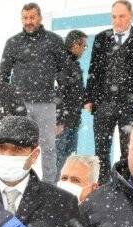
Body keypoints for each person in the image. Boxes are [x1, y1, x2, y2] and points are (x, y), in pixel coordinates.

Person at [84, 0, 133, 184]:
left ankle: (125, 187)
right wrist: (89, 97)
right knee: (101, 150)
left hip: (131, 105)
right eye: (114, 17)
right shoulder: (101, 38)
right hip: (104, 103)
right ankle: (103, 187)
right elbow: (94, 70)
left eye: (122, 16)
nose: (117, 21)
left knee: (129, 149)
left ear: (131, 16)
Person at [0, 3, 71, 183]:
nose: (28, 21)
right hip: (19, 105)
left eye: (32, 17)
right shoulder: (13, 43)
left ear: (40, 17)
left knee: (48, 148)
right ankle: (17, 182)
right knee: (17, 146)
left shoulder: (54, 40)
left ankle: (49, 186)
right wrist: (5, 104)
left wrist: (61, 114)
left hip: (46, 104)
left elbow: (64, 78)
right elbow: (3, 75)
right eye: (25, 18)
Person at [55, 30, 88, 173]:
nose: (84, 49)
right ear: (75, 45)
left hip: (73, 120)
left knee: (69, 162)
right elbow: (58, 93)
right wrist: (59, 121)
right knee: (57, 161)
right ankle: (53, 186)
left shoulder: (73, 64)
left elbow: (76, 92)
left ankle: (63, 185)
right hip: (63, 123)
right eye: (83, 46)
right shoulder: (61, 63)